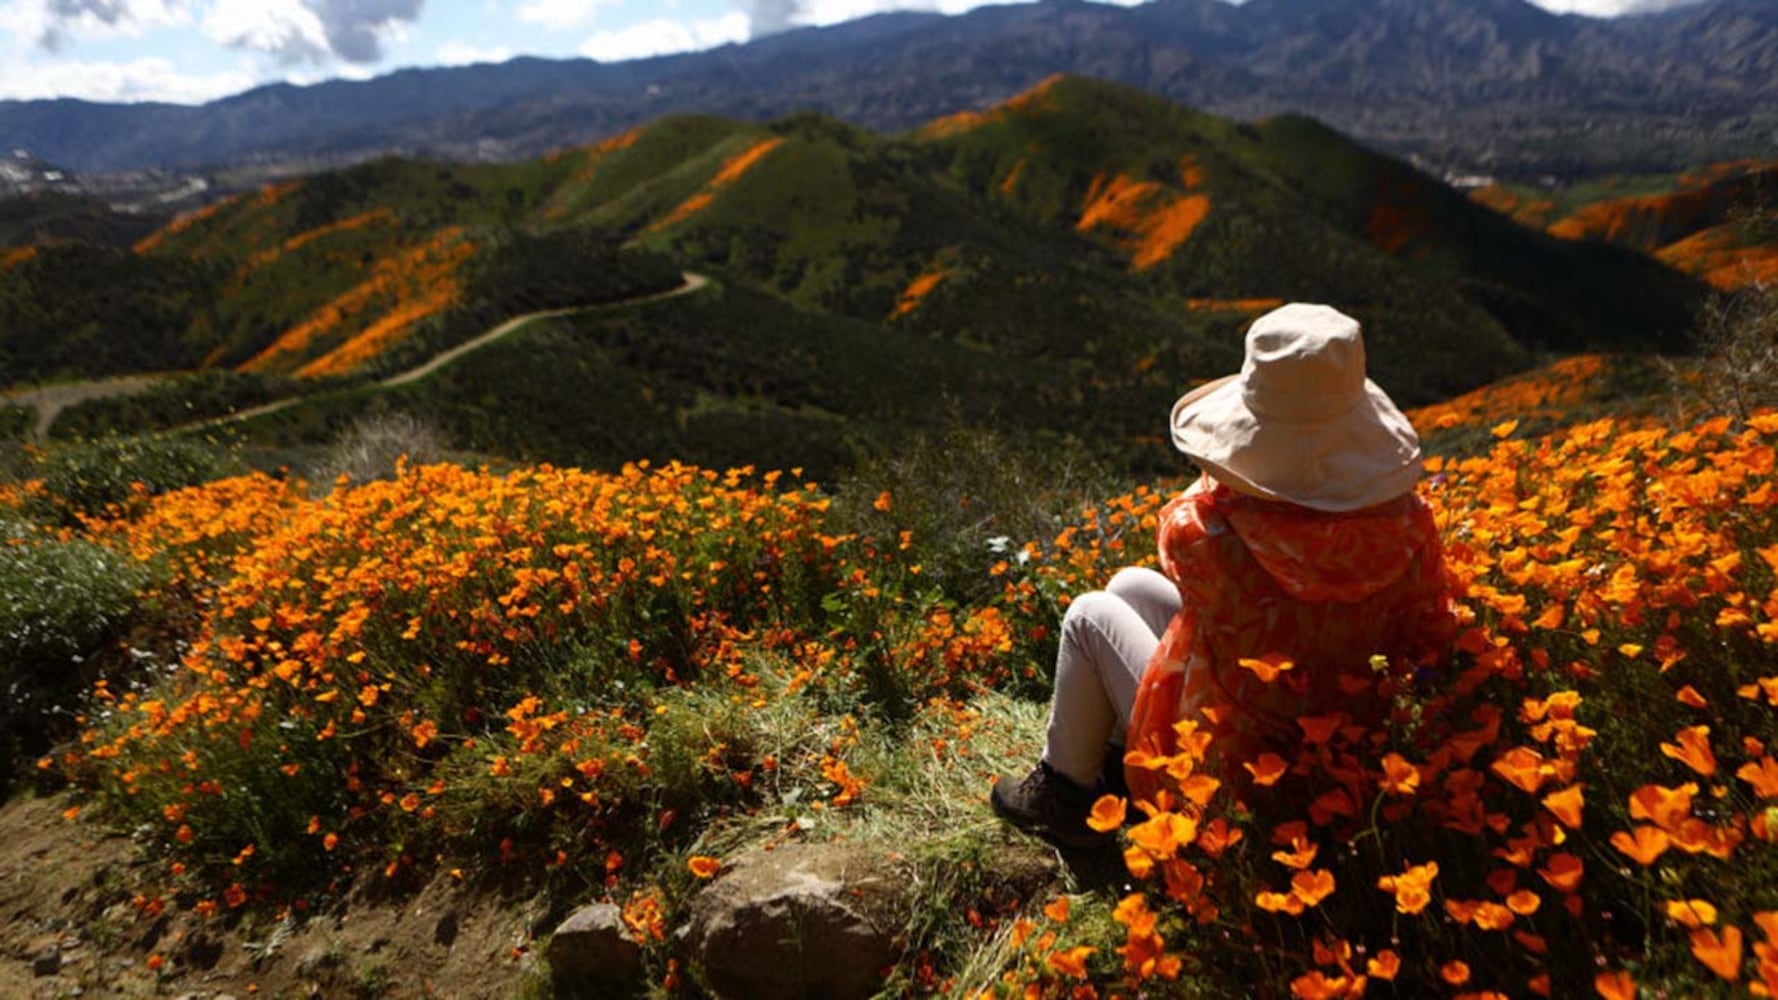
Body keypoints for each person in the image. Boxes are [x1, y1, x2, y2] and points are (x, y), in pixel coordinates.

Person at [991, 303, 1456, 848]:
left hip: (1225, 771)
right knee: (1130, 587)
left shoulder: (1209, 535)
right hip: (1345, 744)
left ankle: (1065, 794)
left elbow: (1187, 515)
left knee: (1091, 613)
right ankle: (1115, 759)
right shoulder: (1409, 523)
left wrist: (1242, 478)